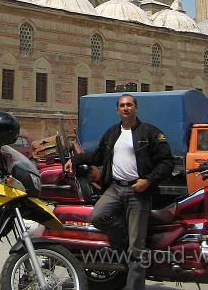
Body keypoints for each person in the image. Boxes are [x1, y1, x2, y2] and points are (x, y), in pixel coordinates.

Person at [67, 94, 174, 290]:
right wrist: (75, 160)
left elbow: (167, 162)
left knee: (137, 247)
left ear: (136, 108)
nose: (126, 108)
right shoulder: (112, 133)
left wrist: (148, 180)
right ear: (117, 110)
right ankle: (125, 241)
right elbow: (98, 156)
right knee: (97, 216)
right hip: (115, 188)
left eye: (129, 105)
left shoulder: (149, 132)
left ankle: (133, 285)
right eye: (122, 106)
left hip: (138, 191)